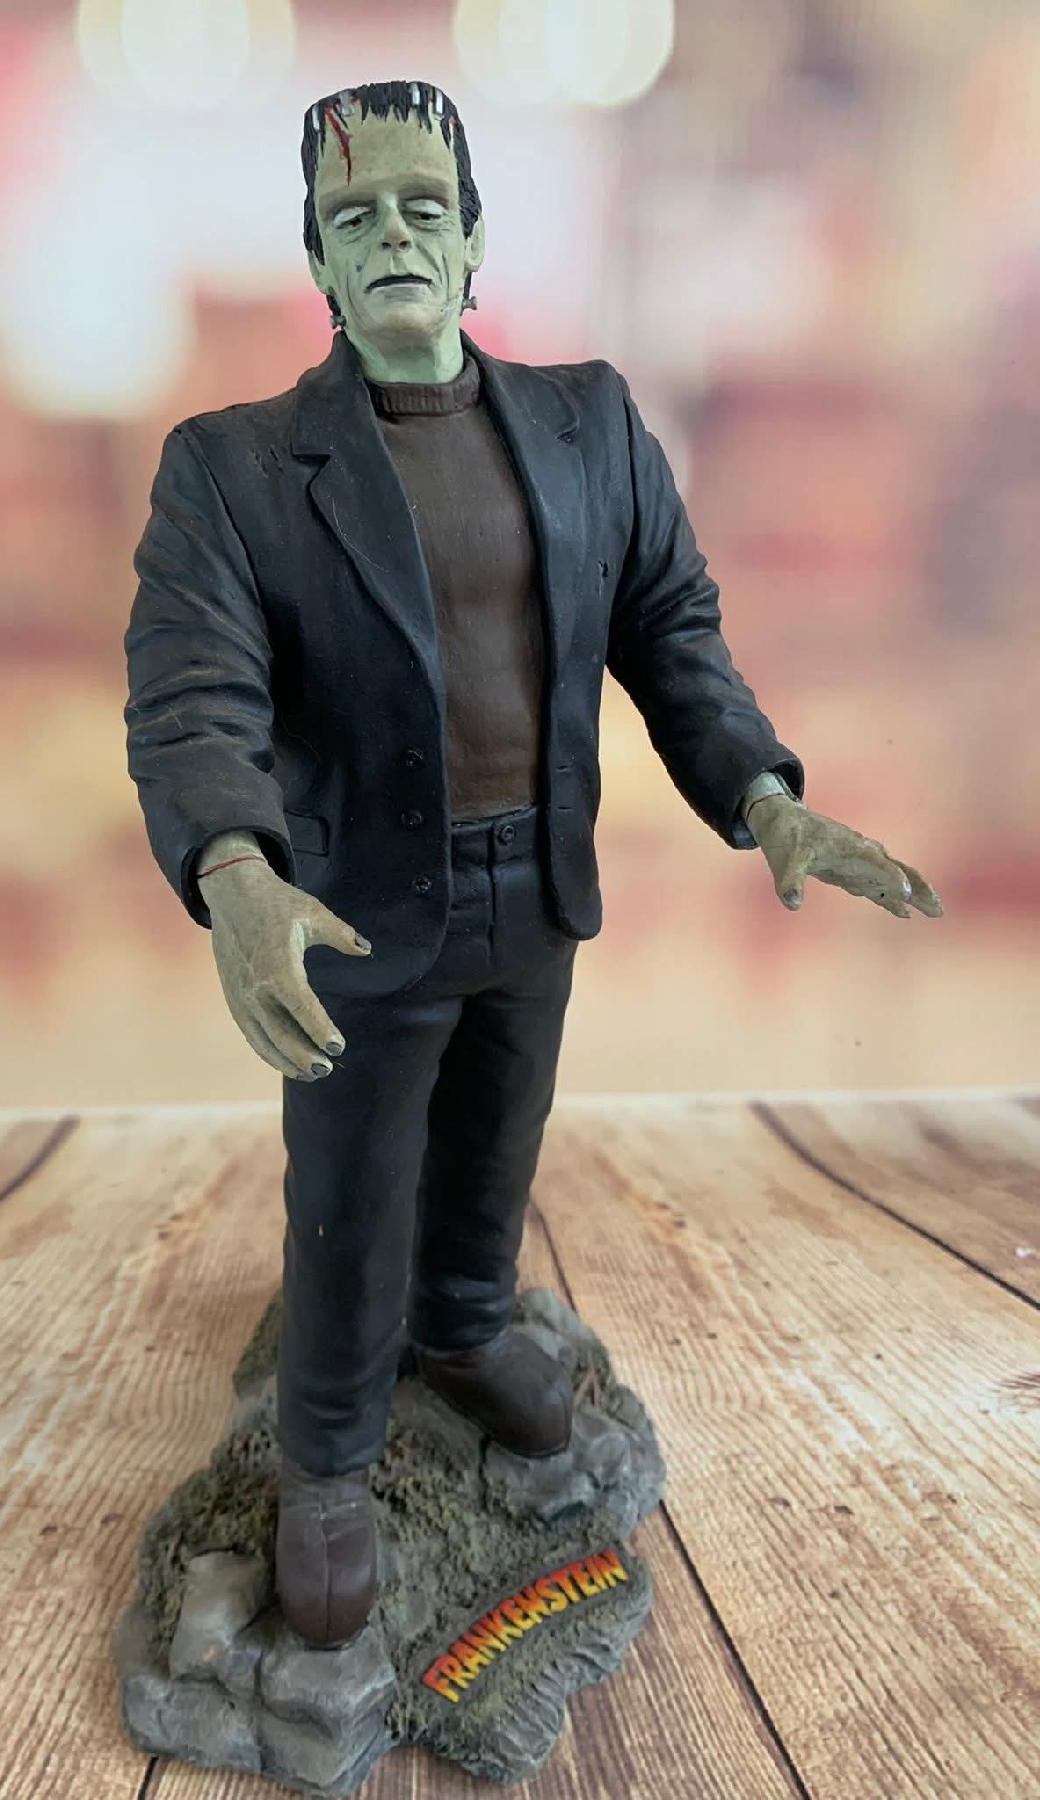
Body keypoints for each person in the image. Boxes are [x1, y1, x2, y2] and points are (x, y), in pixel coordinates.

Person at [123, 80, 942, 1652]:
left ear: (475, 237)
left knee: (497, 1147)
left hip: (536, 890)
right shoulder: (235, 469)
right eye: (355, 214)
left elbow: (672, 631)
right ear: (319, 257)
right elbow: (191, 690)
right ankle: (328, 1457)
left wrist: (764, 795)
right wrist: (236, 868)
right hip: (354, 912)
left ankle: (468, 1325)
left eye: (423, 204)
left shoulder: (590, 426)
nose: (393, 234)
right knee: (351, 1193)